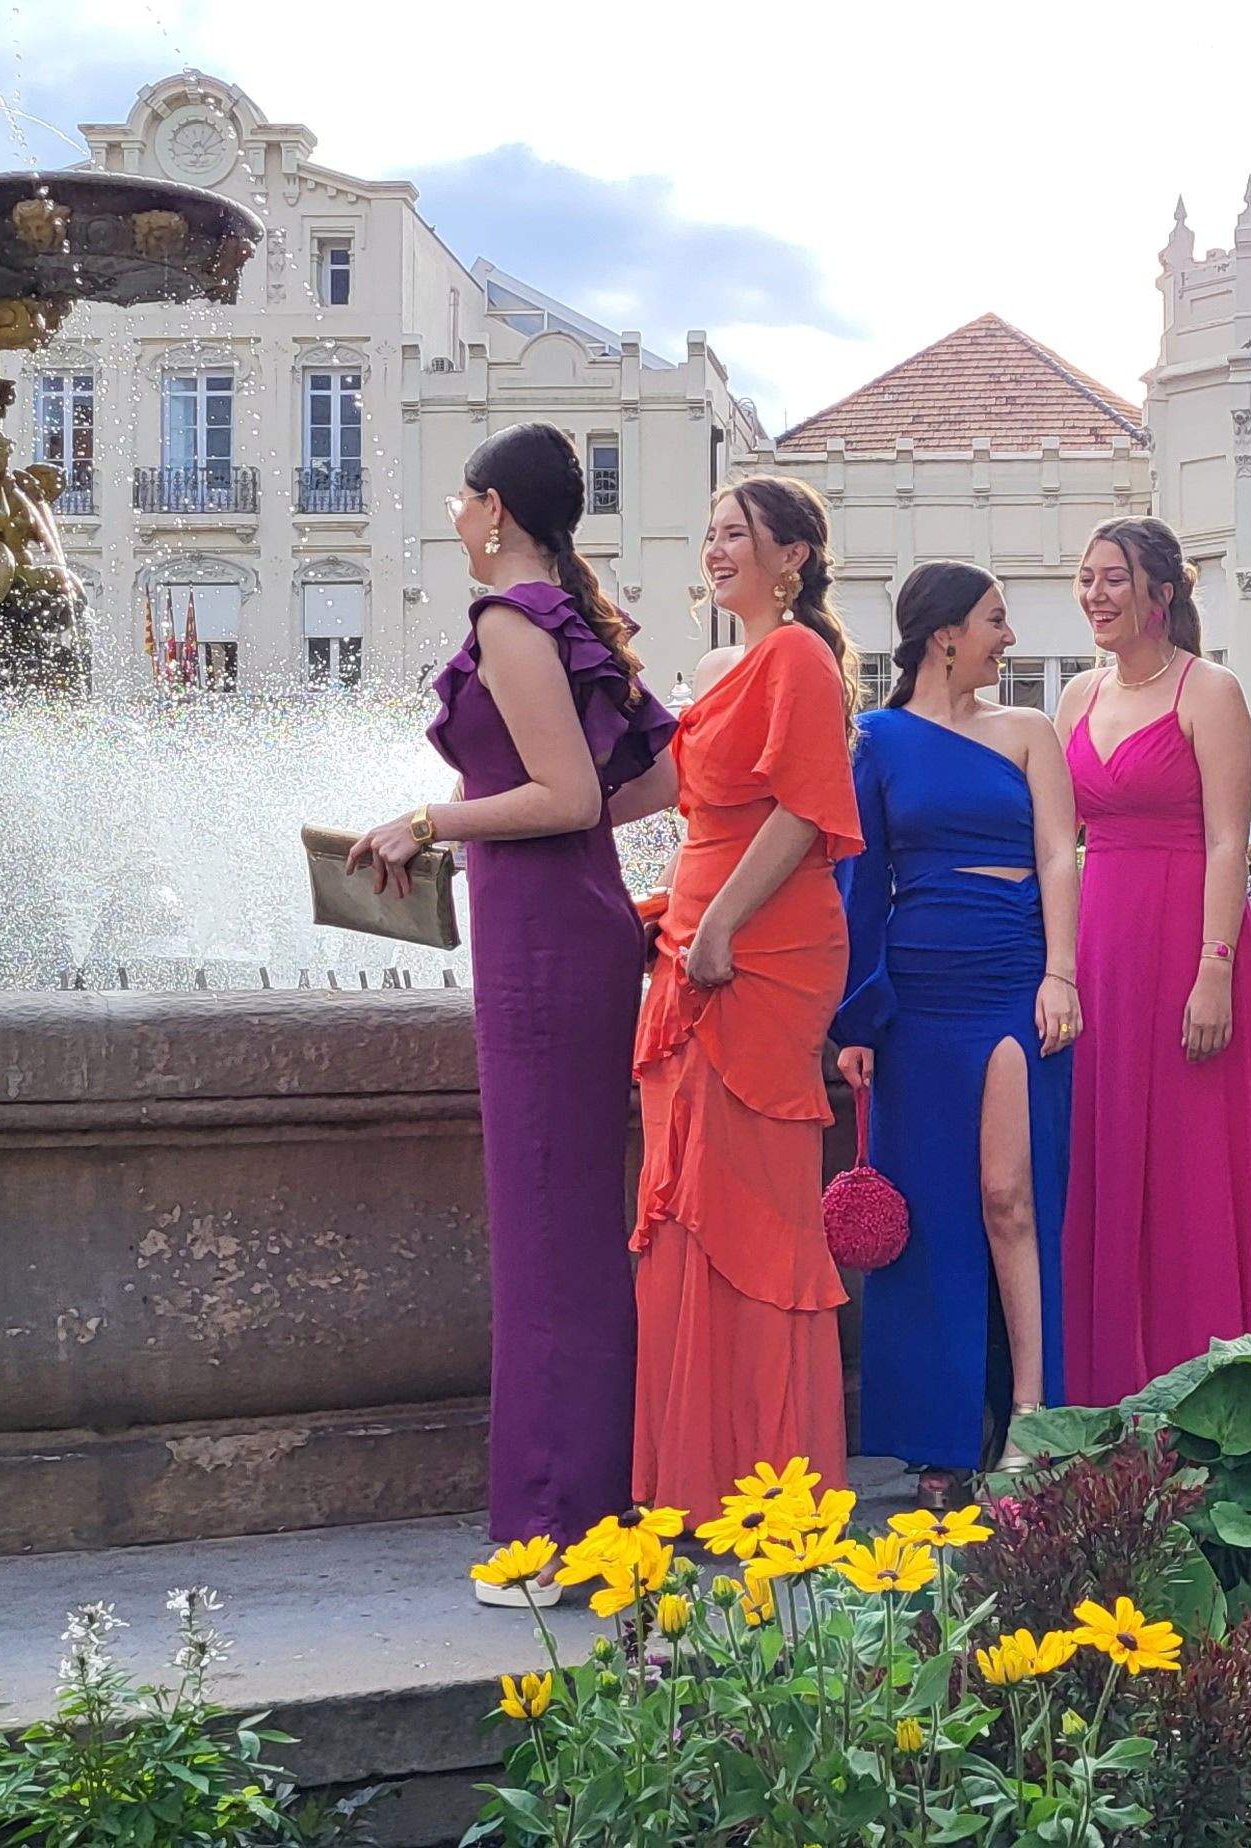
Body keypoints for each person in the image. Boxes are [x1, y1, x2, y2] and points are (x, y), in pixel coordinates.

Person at [356, 423, 675, 1605]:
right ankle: (588, 1519)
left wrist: (430, 822)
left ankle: (551, 1537)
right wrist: (497, 821)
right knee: (568, 1229)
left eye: (459, 497)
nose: (452, 514)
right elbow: (653, 780)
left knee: (545, 1237)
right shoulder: (566, 621)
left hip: (546, 943)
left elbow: (568, 791)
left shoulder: (512, 622)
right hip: (565, 928)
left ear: (493, 510)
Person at [628, 475, 863, 1519]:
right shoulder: (723, 661)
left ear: (793, 557)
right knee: (689, 1211)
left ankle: (770, 1481)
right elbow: (688, 808)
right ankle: (699, 1473)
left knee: (752, 1210)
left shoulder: (799, 655)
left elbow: (808, 813)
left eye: (738, 535)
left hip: (758, 951)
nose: (716, 550)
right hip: (697, 943)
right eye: (711, 532)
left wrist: (717, 923)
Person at [833, 562, 1079, 1493]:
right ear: (943, 635)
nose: (1007, 639)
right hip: (918, 994)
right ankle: (941, 1441)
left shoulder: (1030, 732)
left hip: (1016, 977)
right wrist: (857, 1017)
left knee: (1011, 1197)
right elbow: (860, 880)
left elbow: (1060, 852)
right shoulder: (875, 740)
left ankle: (1032, 1418)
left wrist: (1061, 973)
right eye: (995, 621)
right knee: (932, 1212)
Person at [1057, 516, 1251, 1402]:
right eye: (1086, 578)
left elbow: (1229, 842)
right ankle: (1109, 1386)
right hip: (1102, 945)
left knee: (1195, 1167)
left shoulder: (1211, 690)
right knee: (1107, 1153)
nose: (1094, 594)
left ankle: (1215, 1388)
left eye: (1113, 578)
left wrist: (1213, 966)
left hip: (1192, 942)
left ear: (1161, 593)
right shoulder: (1076, 700)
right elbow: (1059, 843)